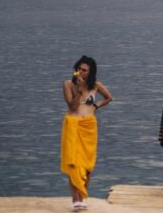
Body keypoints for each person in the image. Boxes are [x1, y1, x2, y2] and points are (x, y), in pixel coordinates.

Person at [61, 56, 112, 212]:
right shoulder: (68, 85)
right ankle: (75, 199)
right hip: (73, 124)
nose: (80, 72)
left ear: (90, 72)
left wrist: (96, 105)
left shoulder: (95, 85)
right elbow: (73, 105)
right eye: (79, 69)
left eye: (84, 70)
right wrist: (80, 91)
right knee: (73, 162)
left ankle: (83, 196)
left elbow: (109, 97)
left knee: (88, 164)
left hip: (89, 126)